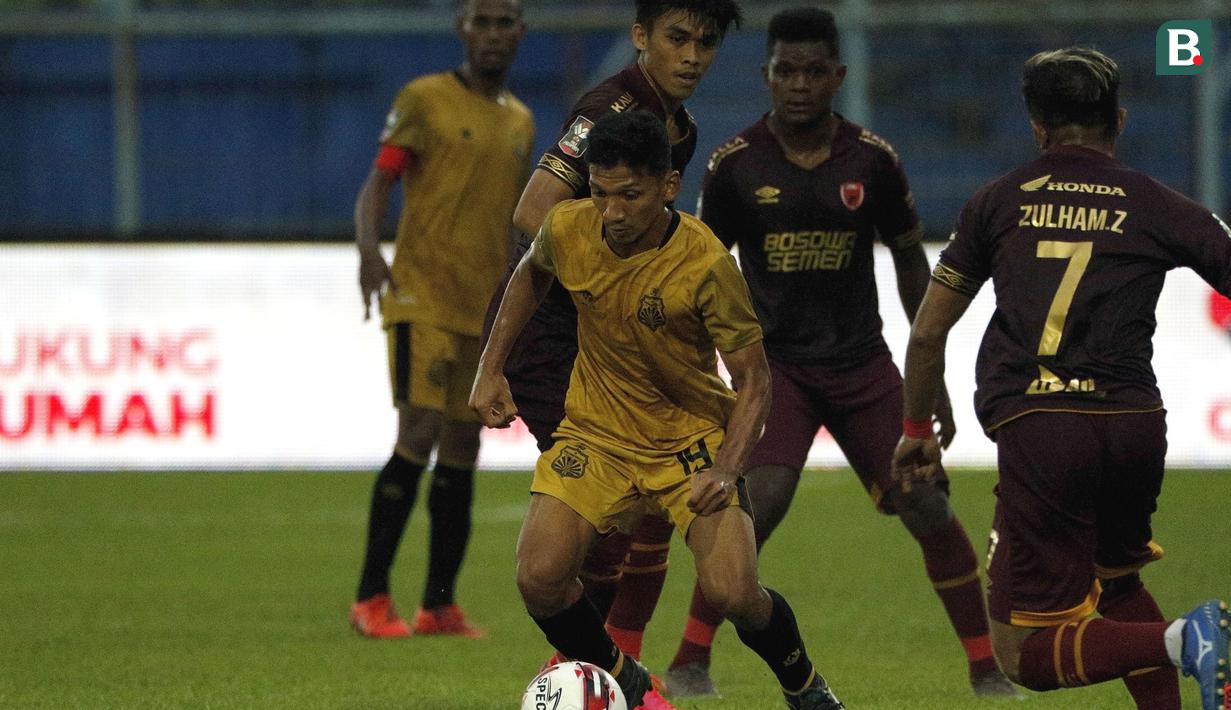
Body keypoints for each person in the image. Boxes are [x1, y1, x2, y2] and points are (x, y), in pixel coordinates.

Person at [663, 7, 1014, 698]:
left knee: (926, 506)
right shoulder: (735, 165)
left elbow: (912, 261)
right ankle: (689, 659)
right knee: (755, 503)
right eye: (785, 71)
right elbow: (703, 268)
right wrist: (699, 366)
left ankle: (985, 668)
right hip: (776, 372)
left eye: (813, 71)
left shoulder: (872, 160)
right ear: (766, 75)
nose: (799, 84)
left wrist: (928, 369)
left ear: (838, 75)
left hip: (862, 366)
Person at [893, 46, 1231, 710]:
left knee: (1024, 656)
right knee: (1117, 583)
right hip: (1133, 426)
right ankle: (1180, 658)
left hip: (1042, 429)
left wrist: (914, 429)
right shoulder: (1158, 204)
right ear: (1120, 121)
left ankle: (1185, 638)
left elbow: (928, 330)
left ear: (1036, 126)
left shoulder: (997, 201)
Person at [473, 111, 845, 710]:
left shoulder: (704, 263)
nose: (613, 213)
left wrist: (726, 468)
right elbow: (529, 276)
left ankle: (803, 684)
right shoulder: (569, 227)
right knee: (538, 578)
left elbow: (753, 379)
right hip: (595, 435)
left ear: (668, 186)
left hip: (688, 443)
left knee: (734, 594)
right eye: (599, 192)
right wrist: (490, 367)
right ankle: (629, 678)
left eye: (630, 195)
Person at [482, 0, 742, 667]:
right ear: (639, 37)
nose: (690, 56)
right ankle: (590, 666)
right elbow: (534, 210)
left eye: (704, 42)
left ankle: (604, 668)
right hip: (555, 337)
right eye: (675, 38)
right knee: (599, 518)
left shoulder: (675, 126)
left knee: (650, 509)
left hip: (614, 336)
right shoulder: (612, 111)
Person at [348, 0, 534, 639]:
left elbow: (514, 225)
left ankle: (438, 605)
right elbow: (379, 185)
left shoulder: (521, 122)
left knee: (464, 443)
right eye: (480, 22)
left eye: (503, 22)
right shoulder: (424, 99)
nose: (491, 34)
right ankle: (372, 598)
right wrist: (370, 251)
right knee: (420, 429)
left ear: (519, 33)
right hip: (422, 295)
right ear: (462, 30)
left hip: (481, 310)